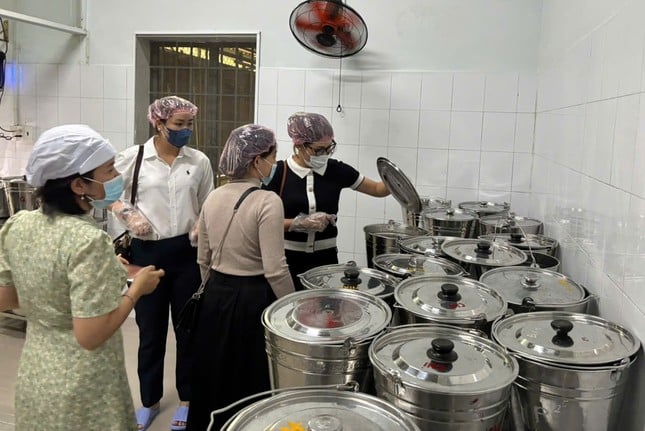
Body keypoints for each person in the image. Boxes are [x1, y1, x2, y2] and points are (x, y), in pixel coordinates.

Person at [0, 124, 165, 430]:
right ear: (79, 185)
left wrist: (98, 271)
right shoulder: (87, 240)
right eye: (109, 170)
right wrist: (137, 290)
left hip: (37, 374)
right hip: (83, 385)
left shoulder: (18, 224)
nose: (117, 177)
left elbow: (6, 297)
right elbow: (90, 336)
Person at [110, 96, 215, 430]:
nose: (185, 131)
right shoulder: (133, 157)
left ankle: (187, 400)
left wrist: (200, 228)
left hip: (186, 253)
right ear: (158, 123)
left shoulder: (198, 161)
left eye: (189, 124)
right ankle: (149, 401)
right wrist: (127, 213)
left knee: (188, 331)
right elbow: (107, 194)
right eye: (178, 125)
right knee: (150, 332)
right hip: (147, 255)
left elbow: (207, 202)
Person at [187, 124, 295, 430]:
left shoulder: (214, 197)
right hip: (253, 297)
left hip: (215, 294)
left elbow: (203, 259)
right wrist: (292, 308)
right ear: (256, 160)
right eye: (273, 157)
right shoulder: (267, 201)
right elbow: (275, 268)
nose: (274, 165)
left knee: (213, 371)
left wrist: (214, 287)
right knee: (248, 377)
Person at [263, 112, 390, 290]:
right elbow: (262, 223)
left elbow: (377, 189)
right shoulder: (278, 173)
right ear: (298, 145)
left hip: (326, 261)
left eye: (329, 148)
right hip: (286, 261)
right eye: (317, 150)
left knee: (324, 313)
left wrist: (394, 181)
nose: (324, 155)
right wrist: (297, 223)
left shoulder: (337, 170)